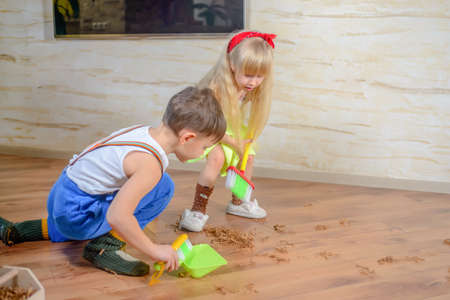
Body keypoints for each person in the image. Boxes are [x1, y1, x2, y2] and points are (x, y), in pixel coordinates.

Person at [0, 87, 226, 276]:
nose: (205, 153)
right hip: (77, 213)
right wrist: (155, 250)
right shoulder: (150, 164)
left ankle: (15, 231)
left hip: (63, 197)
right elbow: (117, 216)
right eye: (205, 147)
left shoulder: (142, 132)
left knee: (154, 185)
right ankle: (104, 248)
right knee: (164, 187)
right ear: (187, 138)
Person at [179, 30, 276, 232]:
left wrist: (241, 144)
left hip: (229, 126)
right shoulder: (215, 88)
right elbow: (209, 124)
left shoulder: (250, 87)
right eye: (249, 75)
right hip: (209, 128)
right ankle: (198, 209)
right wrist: (232, 142)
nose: (254, 82)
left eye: (260, 77)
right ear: (232, 65)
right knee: (217, 158)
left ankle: (238, 202)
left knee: (248, 157)